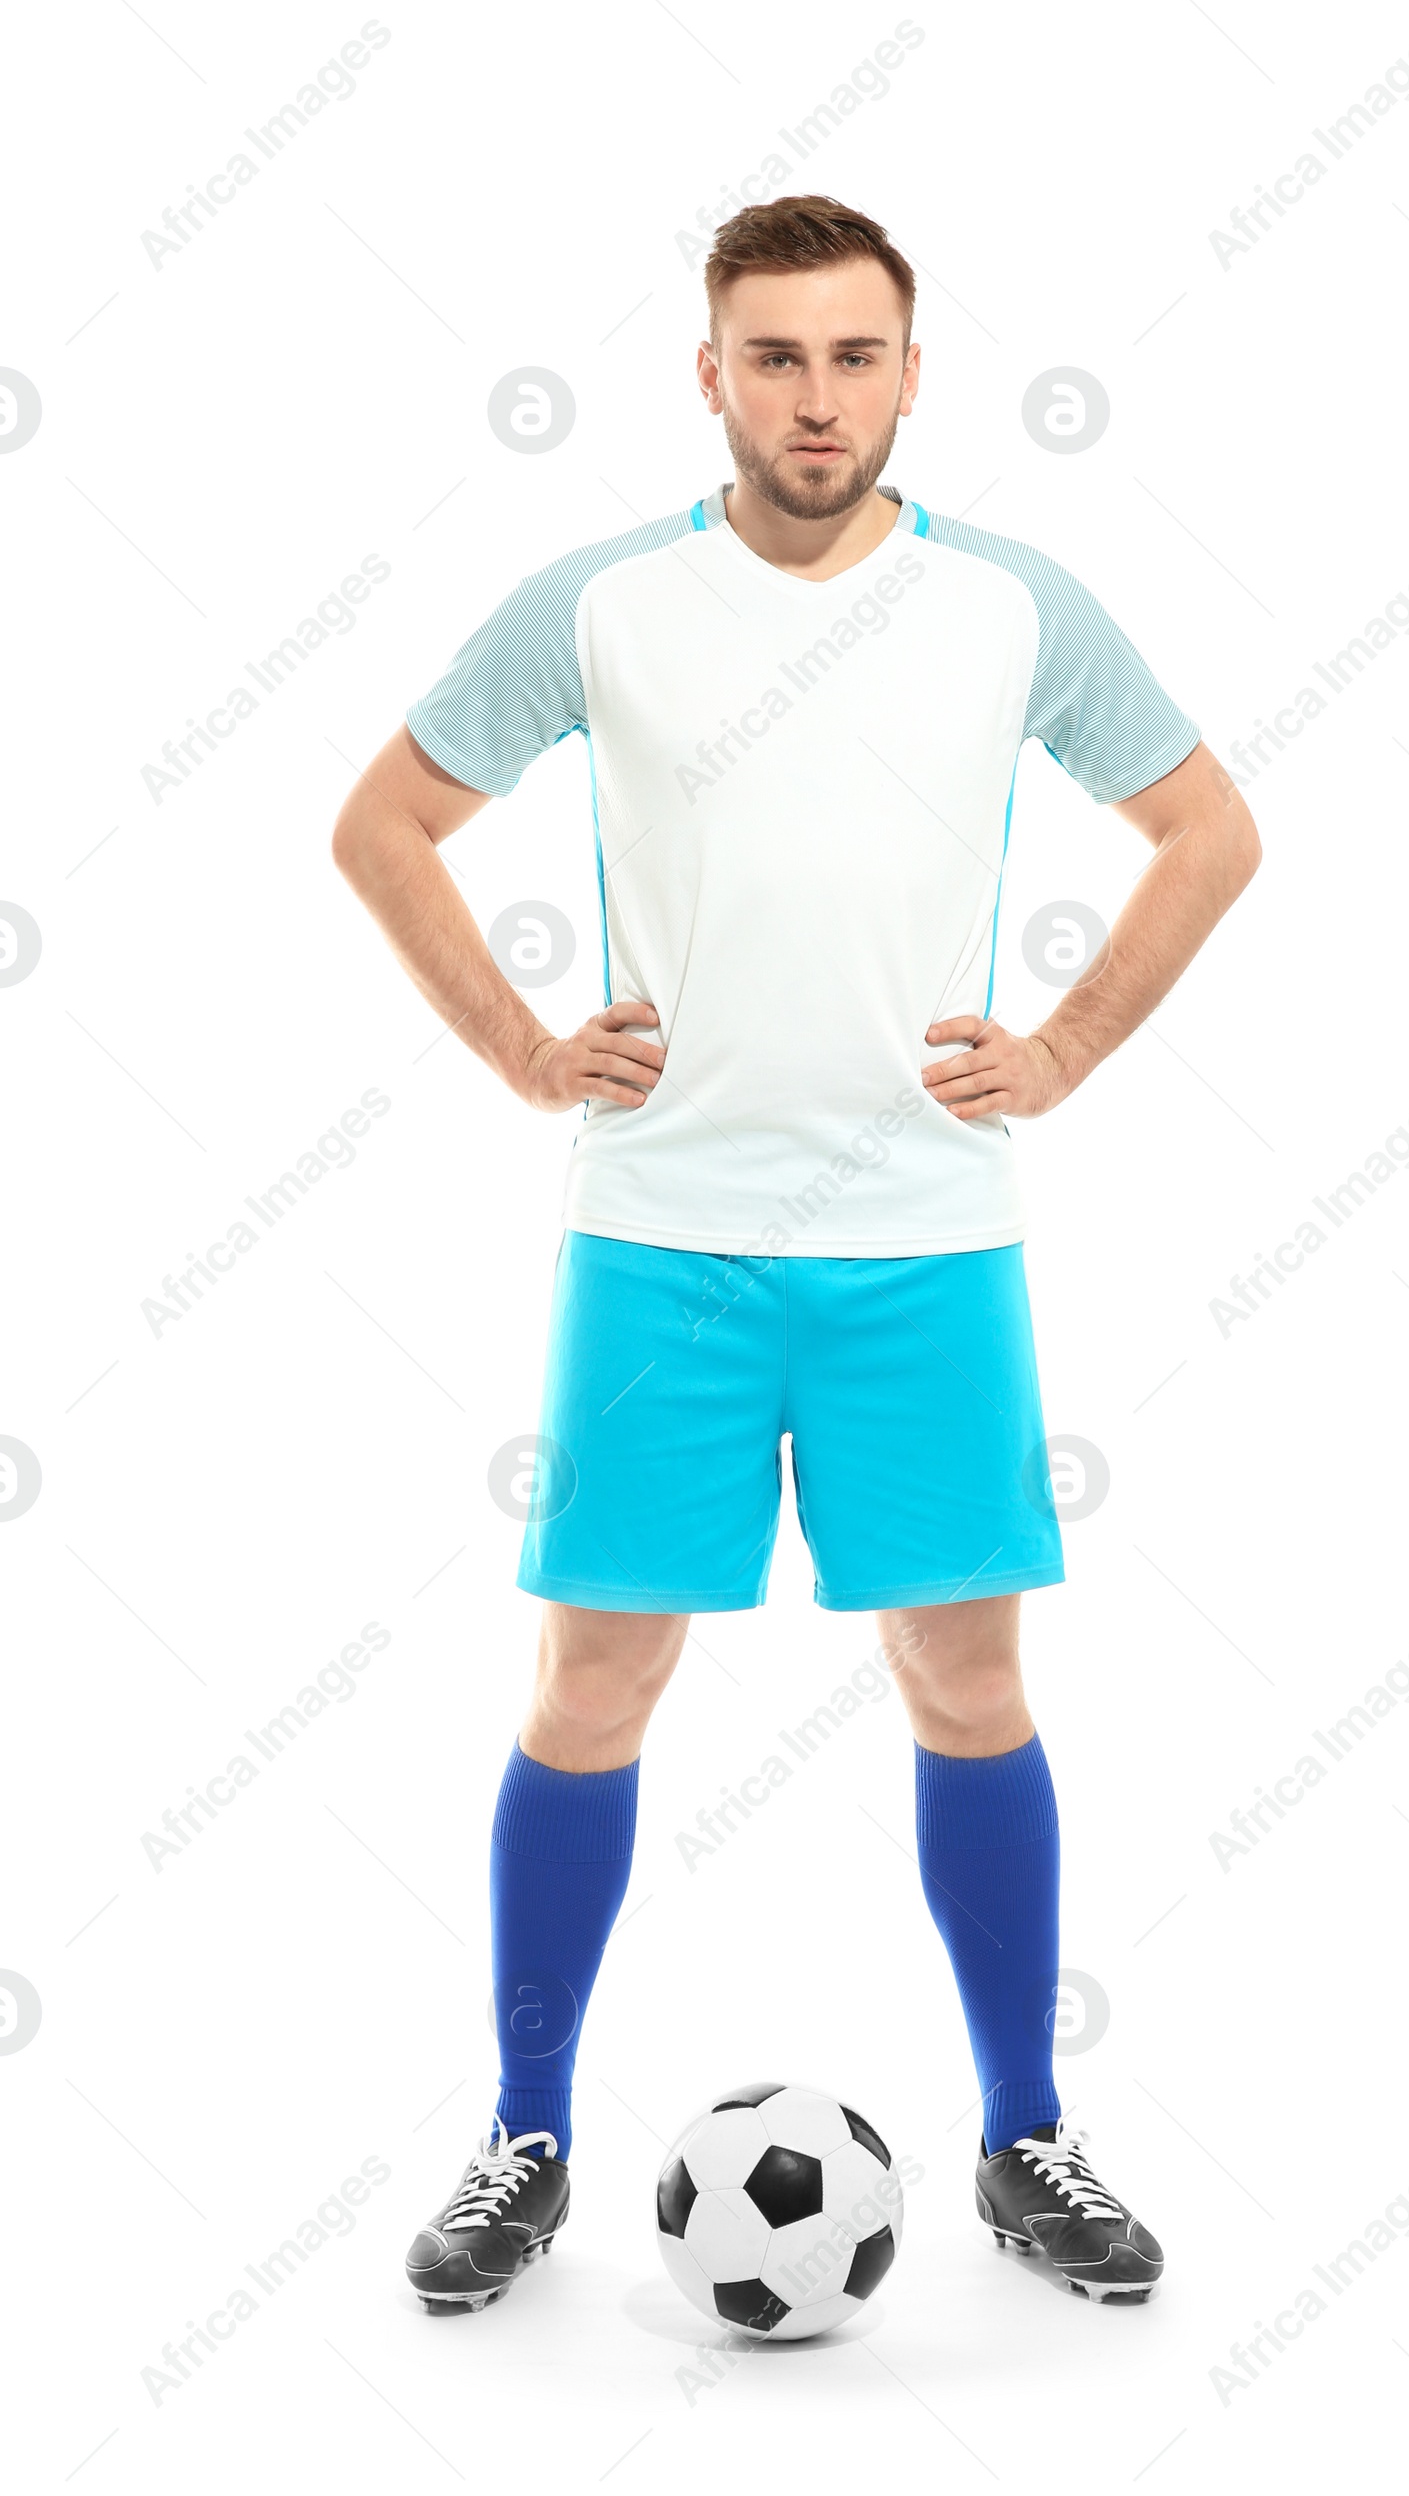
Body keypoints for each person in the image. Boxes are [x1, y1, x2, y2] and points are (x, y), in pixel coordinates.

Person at [332, 194, 1260, 2319]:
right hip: (657, 1246)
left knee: (962, 1677)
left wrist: (1070, 1042)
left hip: (922, 1247)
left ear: (910, 374)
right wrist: (515, 1048)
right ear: (711, 375)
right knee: (592, 1687)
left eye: (853, 357)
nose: (814, 397)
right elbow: (377, 821)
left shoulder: (1009, 609)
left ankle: (1024, 2133)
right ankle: (525, 2137)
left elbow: (1211, 828)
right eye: (774, 357)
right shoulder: (601, 606)